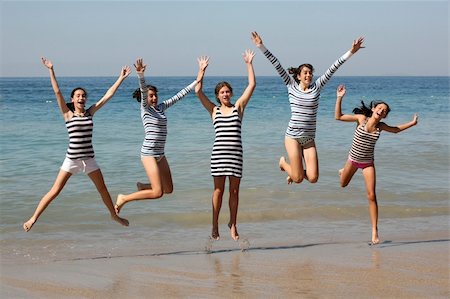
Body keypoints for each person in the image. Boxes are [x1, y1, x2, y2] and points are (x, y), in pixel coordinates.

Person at [23, 58, 131, 232]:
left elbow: (107, 95)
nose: (81, 97)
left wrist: (121, 78)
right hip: (71, 159)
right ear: (72, 99)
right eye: (78, 96)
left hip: (89, 159)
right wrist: (51, 70)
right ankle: (33, 218)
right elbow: (57, 92)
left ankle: (113, 215)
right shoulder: (68, 115)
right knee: (55, 191)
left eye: (83, 95)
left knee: (103, 190)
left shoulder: (90, 113)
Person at [251, 31, 364, 184]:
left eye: (310, 73)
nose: (308, 75)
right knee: (298, 179)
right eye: (305, 73)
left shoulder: (317, 87)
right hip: (292, 137)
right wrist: (261, 46)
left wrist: (352, 52)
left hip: (309, 138)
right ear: (298, 76)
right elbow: (276, 64)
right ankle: (283, 164)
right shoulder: (291, 86)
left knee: (313, 178)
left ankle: (294, 171)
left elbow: (334, 67)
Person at [114, 58, 207, 213]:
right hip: (148, 153)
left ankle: (143, 186)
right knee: (158, 193)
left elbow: (180, 95)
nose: (154, 98)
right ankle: (124, 198)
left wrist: (200, 73)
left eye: (155, 95)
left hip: (160, 154)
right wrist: (141, 76)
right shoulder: (145, 109)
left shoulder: (161, 108)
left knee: (168, 189)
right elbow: (143, 92)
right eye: (151, 96)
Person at [335, 84, 418, 244]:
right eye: (380, 107)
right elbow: (338, 117)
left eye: (384, 111)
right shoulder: (361, 119)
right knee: (343, 184)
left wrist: (412, 123)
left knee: (372, 195)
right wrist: (339, 98)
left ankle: (374, 231)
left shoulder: (381, 127)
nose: (381, 110)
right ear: (373, 109)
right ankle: (342, 171)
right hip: (352, 160)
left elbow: (396, 130)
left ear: (384, 116)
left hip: (367, 164)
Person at [195, 50, 256, 241]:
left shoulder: (238, 107)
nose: (226, 94)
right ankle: (214, 225)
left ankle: (233, 224)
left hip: (236, 156)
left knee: (235, 191)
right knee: (218, 191)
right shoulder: (214, 110)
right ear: (218, 96)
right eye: (222, 92)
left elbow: (252, 85)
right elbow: (197, 91)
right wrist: (201, 71)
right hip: (219, 156)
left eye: (228, 91)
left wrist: (249, 64)